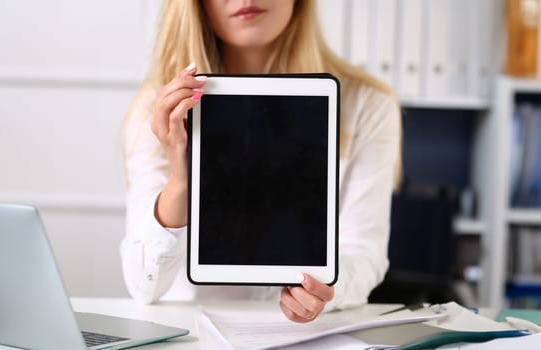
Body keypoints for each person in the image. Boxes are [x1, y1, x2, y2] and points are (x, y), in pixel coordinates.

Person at [120, 0, 401, 323]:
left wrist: (325, 289)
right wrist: (181, 179)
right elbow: (143, 285)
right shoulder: (162, 108)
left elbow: (364, 252)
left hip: (306, 338)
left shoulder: (367, 104)